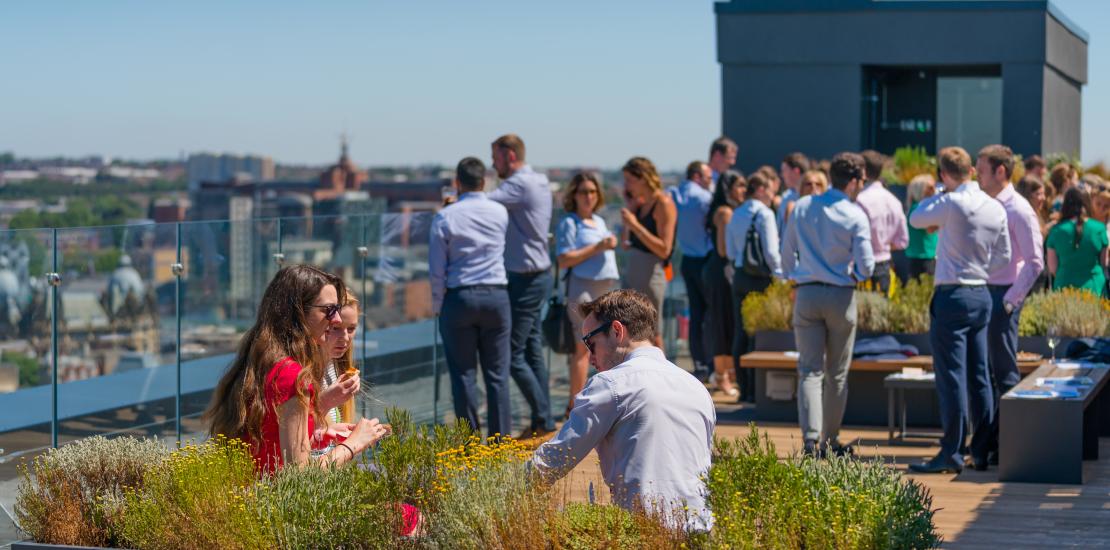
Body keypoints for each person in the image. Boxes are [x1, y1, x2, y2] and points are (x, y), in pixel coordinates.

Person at [530, 289, 715, 533]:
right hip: (702, 530)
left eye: (590, 342)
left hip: (645, 534)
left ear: (617, 331)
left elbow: (554, 459)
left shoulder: (611, 384)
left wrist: (498, 493)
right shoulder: (696, 388)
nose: (589, 355)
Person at [205, 265, 391, 474]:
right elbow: (299, 475)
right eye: (328, 310)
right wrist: (354, 443)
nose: (337, 319)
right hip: (274, 502)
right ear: (299, 312)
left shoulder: (263, 363)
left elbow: (271, 440)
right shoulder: (293, 376)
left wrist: (318, 430)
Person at [908, 146, 1011, 474]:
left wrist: (939, 193)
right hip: (981, 294)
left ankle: (951, 452)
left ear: (943, 174)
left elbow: (916, 217)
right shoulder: (994, 207)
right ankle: (980, 450)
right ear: (970, 170)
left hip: (952, 294)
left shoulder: (950, 202)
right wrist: (980, 270)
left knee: (952, 375)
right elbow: (1005, 256)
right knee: (979, 375)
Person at [782, 153, 874, 457]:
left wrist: (792, 276)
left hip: (807, 292)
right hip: (840, 294)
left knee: (809, 370)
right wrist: (855, 275)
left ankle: (810, 440)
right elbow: (867, 266)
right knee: (836, 373)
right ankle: (830, 441)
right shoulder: (855, 214)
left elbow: (786, 252)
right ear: (853, 181)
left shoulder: (803, 205)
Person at [430, 157, 512, 437]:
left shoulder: (445, 217)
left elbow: (437, 268)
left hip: (460, 297)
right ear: (484, 181)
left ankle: (470, 447)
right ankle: (501, 446)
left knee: (463, 376)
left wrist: (439, 306)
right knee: (498, 376)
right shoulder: (500, 212)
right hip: (496, 296)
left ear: (457, 183)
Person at [978, 145, 1045, 467]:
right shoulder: (986, 204)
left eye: (981, 170)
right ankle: (990, 443)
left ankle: (1006, 446)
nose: (976, 176)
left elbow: (1035, 263)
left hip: (1003, 296)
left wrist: (1008, 303)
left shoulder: (1018, 209)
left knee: (1004, 373)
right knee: (987, 373)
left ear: (1000, 171)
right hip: (984, 293)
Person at [488, 134, 556, 438]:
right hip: (537, 274)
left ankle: (544, 417)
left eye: (496, 157)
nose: (493, 164)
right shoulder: (538, 180)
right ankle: (542, 419)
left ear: (511, 156)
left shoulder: (518, 184)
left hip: (525, 278)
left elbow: (480, 203)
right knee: (530, 350)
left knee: (512, 353)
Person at [555, 172, 619, 418]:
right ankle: (575, 406)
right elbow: (563, 259)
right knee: (582, 348)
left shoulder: (599, 221)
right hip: (583, 288)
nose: (589, 197)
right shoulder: (569, 223)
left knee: (608, 345)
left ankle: (602, 401)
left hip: (604, 289)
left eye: (592, 192)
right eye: (584, 192)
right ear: (574, 195)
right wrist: (598, 247)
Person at [725, 172, 783, 402]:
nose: (772, 195)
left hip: (740, 276)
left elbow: (730, 252)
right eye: (769, 190)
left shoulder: (736, 214)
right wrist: (780, 276)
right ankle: (757, 389)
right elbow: (771, 251)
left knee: (740, 332)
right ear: (760, 189)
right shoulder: (765, 214)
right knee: (759, 333)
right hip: (760, 277)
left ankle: (744, 387)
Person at [620, 156, 677, 344]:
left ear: (643, 178)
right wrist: (630, 214)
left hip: (652, 274)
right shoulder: (641, 204)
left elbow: (664, 249)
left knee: (653, 332)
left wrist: (636, 226)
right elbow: (625, 244)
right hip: (634, 272)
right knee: (635, 334)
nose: (627, 185)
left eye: (630, 180)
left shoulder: (663, 203)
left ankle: (662, 373)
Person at [668, 161, 715, 381]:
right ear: (697, 176)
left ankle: (699, 363)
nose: (710, 180)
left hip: (687, 260)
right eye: (707, 176)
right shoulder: (704, 198)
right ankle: (712, 362)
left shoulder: (674, 194)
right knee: (711, 313)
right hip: (706, 259)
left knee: (695, 314)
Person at [702, 171, 744, 397]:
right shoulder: (726, 212)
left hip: (719, 269)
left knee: (724, 321)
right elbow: (724, 249)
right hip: (722, 270)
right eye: (739, 186)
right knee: (722, 321)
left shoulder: (724, 210)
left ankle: (725, 373)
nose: (743, 190)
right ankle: (722, 376)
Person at [855, 150, 908, 294]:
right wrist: (882, 245)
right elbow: (902, 241)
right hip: (884, 266)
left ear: (862, 170)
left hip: (860, 266)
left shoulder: (859, 200)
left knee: (858, 314)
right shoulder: (894, 201)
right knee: (881, 313)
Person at [1046, 188, 1109, 296]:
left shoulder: (1056, 231)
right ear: (1088, 203)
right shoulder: (1099, 229)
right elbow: (1104, 263)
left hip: (1064, 288)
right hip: (1094, 288)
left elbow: (1053, 268)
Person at [321, 295, 362, 427]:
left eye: (351, 329)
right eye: (335, 328)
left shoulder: (337, 364)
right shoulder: (302, 373)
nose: (344, 338)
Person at [904, 174, 939, 280]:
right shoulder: (919, 209)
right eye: (930, 188)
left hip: (922, 256)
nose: (934, 190)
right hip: (923, 258)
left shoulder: (916, 208)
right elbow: (930, 228)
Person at [777, 152, 810, 234]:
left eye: (784, 171)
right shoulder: (786, 197)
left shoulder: (816, 197)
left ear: (796, 171)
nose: (782, 175)